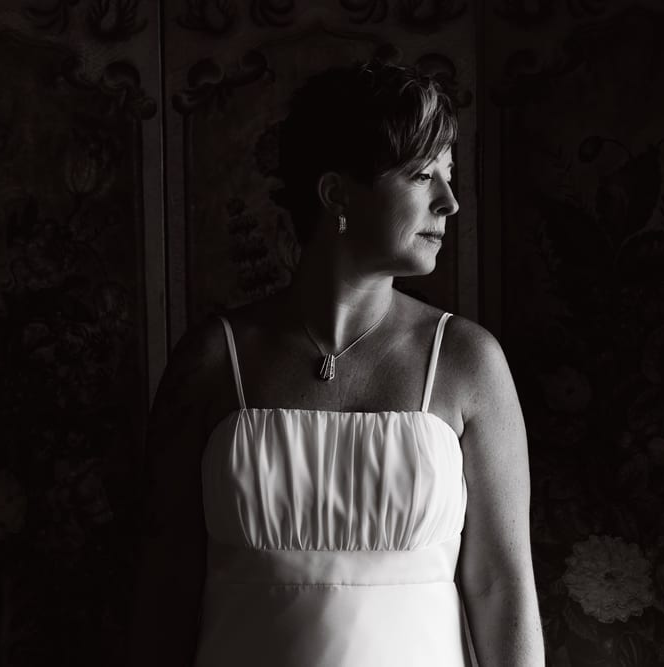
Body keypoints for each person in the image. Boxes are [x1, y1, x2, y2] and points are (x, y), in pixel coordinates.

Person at [128, 59, 546, 666]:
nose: (450, 202)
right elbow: (164, 587)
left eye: (448, 175)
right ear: (336, 193)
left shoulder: (467, 362)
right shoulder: (214, 358)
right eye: (421, 175)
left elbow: (502, 586)